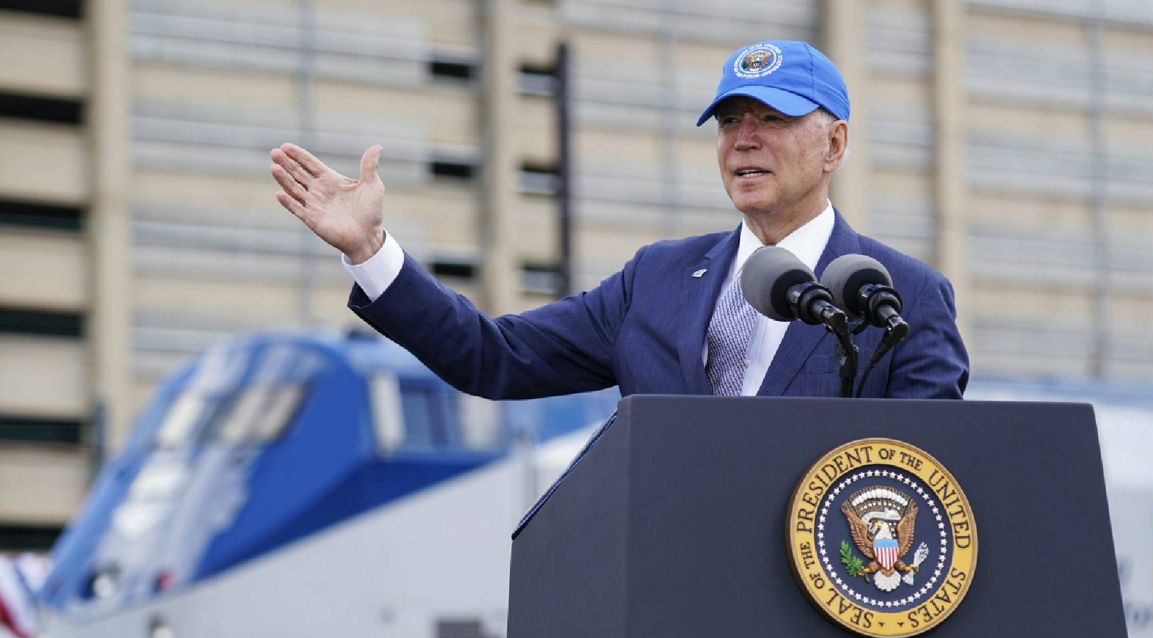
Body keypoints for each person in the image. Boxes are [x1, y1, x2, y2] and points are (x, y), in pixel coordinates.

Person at [269, 40, 968, 400]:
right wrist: (371, 251)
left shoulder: (899, 297)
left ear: (835, 145)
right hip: (663, 626)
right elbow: (494, 357)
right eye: (729, 121)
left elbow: (932, 487)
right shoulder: (656, 280)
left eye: (772, 119)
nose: (743, 139)